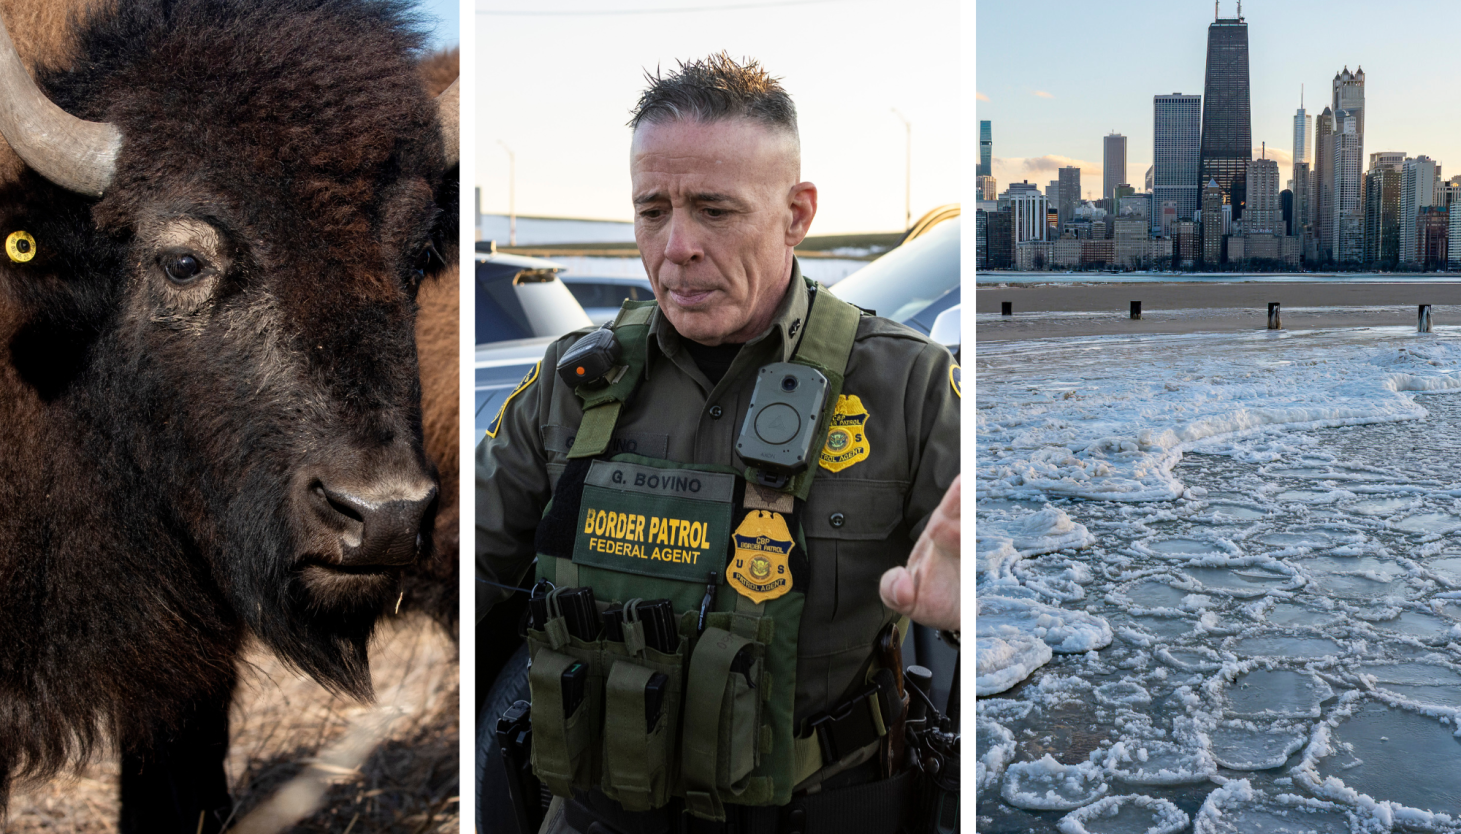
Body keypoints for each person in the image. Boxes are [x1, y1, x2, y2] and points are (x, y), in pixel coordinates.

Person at [476, 53, 959, 834]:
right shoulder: (570, 383)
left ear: (796, 213)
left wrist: (970, 610)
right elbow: (463, 576)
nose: (676, 247)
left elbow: (997, 583)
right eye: (652, 210)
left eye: (714, 210)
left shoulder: (907, 389)